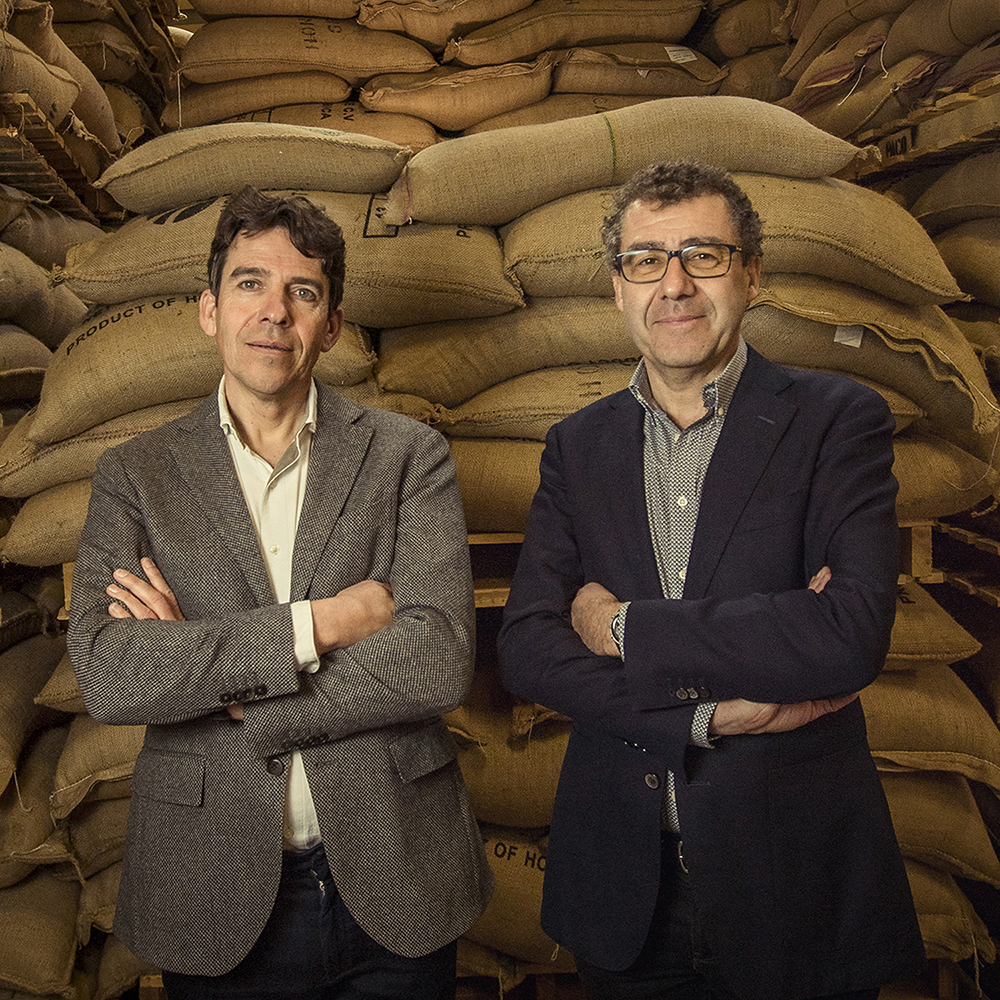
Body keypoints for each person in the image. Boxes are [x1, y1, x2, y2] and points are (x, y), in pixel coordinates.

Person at [498, 161, 924, 1000]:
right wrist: (703, 716)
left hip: (795, 888)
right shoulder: (577, 447)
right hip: (626, 891)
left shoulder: (839, 421)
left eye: (704, 255)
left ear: (753, 275)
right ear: (618, 290)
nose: (675, 284)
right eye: (646, 260)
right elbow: (529, 649)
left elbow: (848, 631)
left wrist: (628, 631)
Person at [67, 186, 493, 1000]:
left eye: (303, 292)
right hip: (211, 882)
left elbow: (437, 658)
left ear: (331, 325)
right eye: (249, 284)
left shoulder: (409, 456)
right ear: (209, 309)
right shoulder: (136, 476)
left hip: (396, 869)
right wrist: (323, 623)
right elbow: (111, 671)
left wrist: (221, 682)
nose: (274, 312)